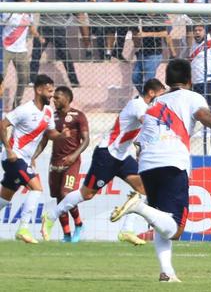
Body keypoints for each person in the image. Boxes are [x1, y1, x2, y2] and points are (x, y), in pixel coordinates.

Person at [109, 59, 211, 282]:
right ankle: (138, 206)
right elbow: (203, 116)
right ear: (190, 80)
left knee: (162, 220)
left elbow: (140, 141)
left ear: (167, 80)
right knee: (176, 229)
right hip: (172, 161)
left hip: (147, 164)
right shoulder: (192, 97)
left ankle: (167, 272)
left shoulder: (156, 102)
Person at [41, 78, 167, 245]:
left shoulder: (145, 108)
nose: (162, 99)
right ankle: (50, 216)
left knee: (144, 188)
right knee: (86, 194)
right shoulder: (138, 105)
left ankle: (126, 231)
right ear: (151, 93)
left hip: (121, 156)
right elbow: (149, 125)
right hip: (107, 154)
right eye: (161, 95)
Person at [0, 75, 68, 244]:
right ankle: (23, 228)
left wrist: (61, 135)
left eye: (53, 91)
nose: (52, 95)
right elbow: (2, 125)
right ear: (38, 90)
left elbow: (50, 133)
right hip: (14, 158)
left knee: (4, 198)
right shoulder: (24, 110)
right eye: (49, 91)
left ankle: (22, 229)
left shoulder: (48, 112)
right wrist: (9, 150)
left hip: (25, 159)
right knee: (36, 188)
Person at [31, 86, 90, 242]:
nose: (53, 100)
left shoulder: (78, 116)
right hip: (55, 163)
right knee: (58, 197)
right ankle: (67, 234)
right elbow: (44, 141)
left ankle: (79, 224)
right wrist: (33, 156)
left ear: (67, 98)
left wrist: (74, 155)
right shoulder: (52, 117)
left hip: (71, 162)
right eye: (53, 97)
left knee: (66, 194)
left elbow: (86, 140)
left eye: (57, 97)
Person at [28, 0, 81, 87]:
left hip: (59, 31)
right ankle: (32, 80)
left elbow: (77, 12)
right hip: (44, 30)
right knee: (36, 55)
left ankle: (74, 82)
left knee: (66, 58)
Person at [130, 0, 176, 94]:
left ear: (155, 3)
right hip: (142, 52)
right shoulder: (143, 14)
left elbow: (165, 33)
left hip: (155, 54)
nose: (147, 6)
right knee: (135, 78)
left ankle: (149, 100)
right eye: (145, 4)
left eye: (149, 3)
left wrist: (173, 53)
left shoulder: (161, 15)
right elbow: (132, 21)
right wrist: (134, 31)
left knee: (148, 81)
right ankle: (146, 97)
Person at [2, 0, 41, 108]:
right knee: (1, 76)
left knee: (24, 79)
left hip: (21, 51)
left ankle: (16, 104)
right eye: (26, 0)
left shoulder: (28, 14)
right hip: (6, 49)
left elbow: (32, 28)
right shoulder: (9, 12)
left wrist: (39, 37)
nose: (28, 2)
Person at [189, 25, 211, 108]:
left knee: (210, 109)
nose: (197, 32)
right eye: (195, 30)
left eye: (200, 30)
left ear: (205, 31)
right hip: (196, 83)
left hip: (208, 82)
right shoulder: (194, 44)